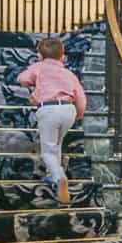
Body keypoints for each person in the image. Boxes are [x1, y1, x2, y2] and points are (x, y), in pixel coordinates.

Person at [17, 38, 87, 205]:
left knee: (47, 150)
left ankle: (59, 177)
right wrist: (79, 114)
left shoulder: (39, 67)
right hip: (68, 110)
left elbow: (22, 79)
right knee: (57, 144)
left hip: (48, 109)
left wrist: (36, 82)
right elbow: (81, 97)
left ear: (39, 55)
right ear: (62, 57)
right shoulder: (69, 74)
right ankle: (51, 174)